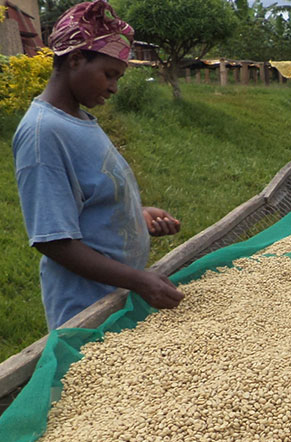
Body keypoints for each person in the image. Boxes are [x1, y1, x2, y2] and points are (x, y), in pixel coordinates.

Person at [13, 0, 184, 331]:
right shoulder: (43, 133)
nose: (114, 88)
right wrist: (138, 280)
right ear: (76, 58)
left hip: (116, 298)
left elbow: (92, 197)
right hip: (86, 311)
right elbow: (53, 240)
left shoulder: (80, 120)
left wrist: (138, 216)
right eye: (109, 75)